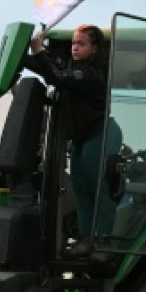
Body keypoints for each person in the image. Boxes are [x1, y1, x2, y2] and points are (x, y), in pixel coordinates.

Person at [23, 24, 123, 250]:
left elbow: (58, 77)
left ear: (94, 48)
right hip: (81, 138)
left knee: (98, 188)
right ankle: (86, 238)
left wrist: (38, 53)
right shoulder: (73, 69)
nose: (75, 48)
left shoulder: (89, 74)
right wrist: (24, 58)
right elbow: (51, 72)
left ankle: (103, 240)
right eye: (73, 44)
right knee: (79, 188)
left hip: (101, 133)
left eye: (81, 44)